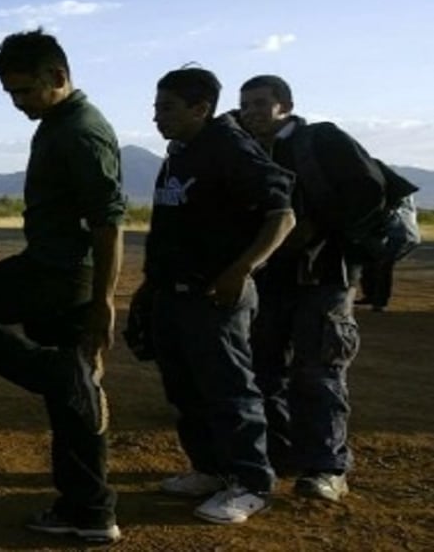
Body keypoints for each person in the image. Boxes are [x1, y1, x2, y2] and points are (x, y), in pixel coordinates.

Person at [0, 29, 124, 544]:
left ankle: (55, 373)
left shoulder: (81, 130)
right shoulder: (57, 120)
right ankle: (91, 510)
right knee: (73, 398)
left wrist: (104, 302)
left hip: (59, 274)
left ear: (58, 77)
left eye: (26, 92)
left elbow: (109, 222)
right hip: (52, 266)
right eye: (11, 94)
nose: (18, 104)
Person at [141, 67, 295, 525]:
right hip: (174, 293)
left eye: (166, 108)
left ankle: (251, 484)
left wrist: (242, 269)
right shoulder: (180, 153)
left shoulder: (229, 148)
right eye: (155, 108)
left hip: (214, 296)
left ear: (200, 108)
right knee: (186, 387)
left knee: (230, 390)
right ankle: (209, 468)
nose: (156, 117)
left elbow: (281, 214)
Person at [238, 74, 381, 503]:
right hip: (273, 279)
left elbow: (369, 191)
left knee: (319, 370)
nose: (251, 112)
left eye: (261, 103)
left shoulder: (321, 141)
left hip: (324, 277)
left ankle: (327, 467)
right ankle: (284, 456)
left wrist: (319, 230)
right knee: (265, 369)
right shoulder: (252, 151)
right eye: (246, 105)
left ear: (285, 105)